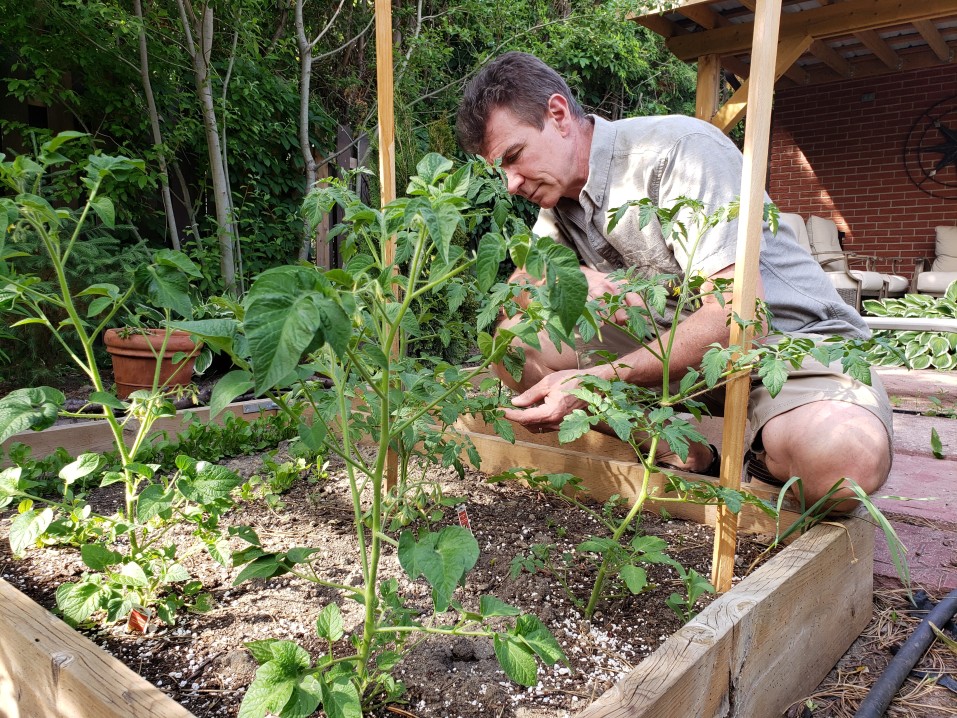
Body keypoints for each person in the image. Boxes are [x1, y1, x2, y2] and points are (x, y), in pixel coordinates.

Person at [456, 51, 893, 509]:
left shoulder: (677, 152)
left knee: (843, 465)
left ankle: (764, 456)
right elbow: (518, 292)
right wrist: (571, 277)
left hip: (785, 348)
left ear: (559, 115)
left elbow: (737, 320)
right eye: (500, 169)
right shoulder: (558, 200)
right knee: (510, 344)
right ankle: (680, 449)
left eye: (514, 157)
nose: (510, 183)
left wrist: (593, 383)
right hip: (678, 359)